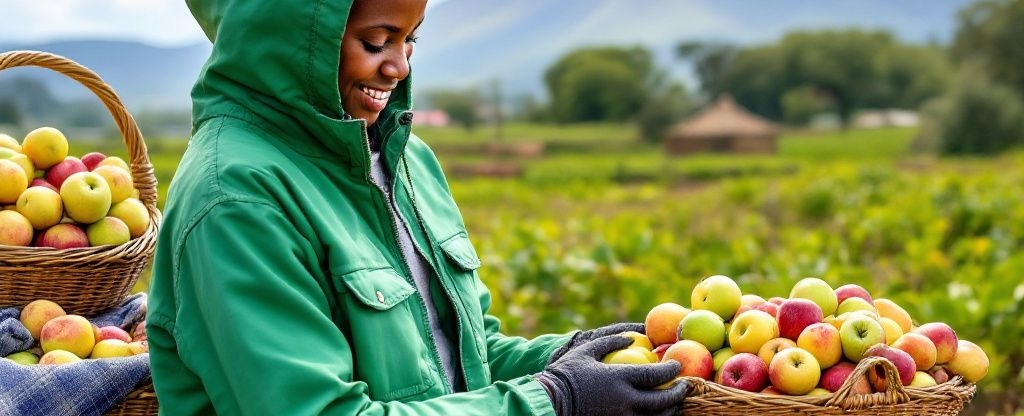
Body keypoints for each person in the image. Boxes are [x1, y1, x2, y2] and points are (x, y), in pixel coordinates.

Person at [146, 0, 691, 414]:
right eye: (377, 40)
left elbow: (464, 358)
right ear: (290, 42)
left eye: (410, 40)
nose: (399, 67)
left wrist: (568, 356)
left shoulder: (402, 159)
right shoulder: (236, 198)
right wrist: (553, 399)